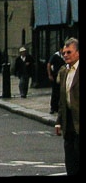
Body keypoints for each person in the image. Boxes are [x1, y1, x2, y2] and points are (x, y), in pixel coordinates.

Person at [54, 38, 79, 177]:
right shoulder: (64, 72)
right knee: (70, 160)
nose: (65, 55)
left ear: (78, 53)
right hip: (68, 122)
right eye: (64, 53)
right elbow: (62, 101)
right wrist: (58, 121)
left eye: (69, 52)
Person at [49, 46, 66, 115]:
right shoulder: (55, 56)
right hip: (56, 75)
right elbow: (49, 64)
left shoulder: (65, 56)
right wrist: (50, 74)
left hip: (64, 76)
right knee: (55, 92)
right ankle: (53, 107)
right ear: (60, 49)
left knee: (62, 92)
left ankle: (60, 107)